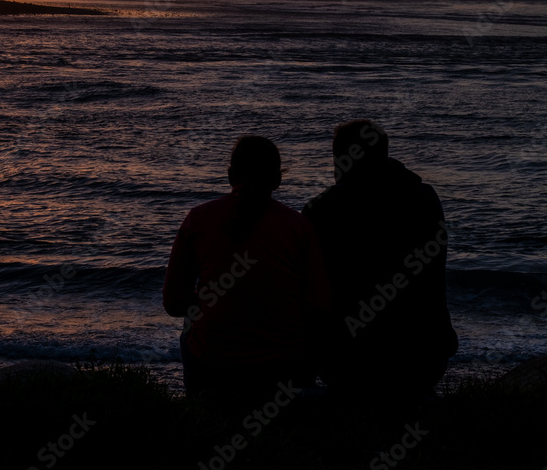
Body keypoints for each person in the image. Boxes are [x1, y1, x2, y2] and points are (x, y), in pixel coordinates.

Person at [163, 135, 331, 403]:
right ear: (277, 180)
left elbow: (173, 303)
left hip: (214, 365)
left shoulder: (198, 219)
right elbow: (319, 306)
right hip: (283, 366)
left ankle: (200, 403)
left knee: (189, 324)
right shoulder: (298, 226)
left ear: (231, 176)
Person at [302, 120, 458, 397]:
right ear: (385, 155)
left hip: (351, 363)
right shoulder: (425, 199)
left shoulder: (321, 212)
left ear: (341, 159)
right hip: (426, 359)